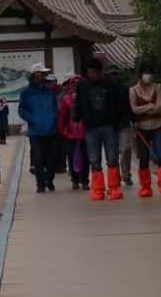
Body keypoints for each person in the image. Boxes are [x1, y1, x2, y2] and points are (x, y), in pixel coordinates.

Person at [72, 58, 136, 200]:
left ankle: (113, 188)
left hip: (109, 126)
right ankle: (98, 189)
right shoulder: (83, 84)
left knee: (112, 158)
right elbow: (78, 103)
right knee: (94, 160)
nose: (91, 75)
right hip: (91, 127)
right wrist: (76, 118)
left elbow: (122, 102)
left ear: (101, 71)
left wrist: (131, 117)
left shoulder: (112, 84)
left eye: (94, 72)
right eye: (89, 72)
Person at [129, 62, 161, 197]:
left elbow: (160, 106)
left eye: (150, 73)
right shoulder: (133, 90)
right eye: (145, 73)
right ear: (140, 74)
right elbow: (134, 109)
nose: (148, 76)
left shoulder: (157, 87)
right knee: (143, 159)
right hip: (142, 128)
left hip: (158, 125)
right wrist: (150, 107)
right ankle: (146, 187)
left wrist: (145, 109)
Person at [18, 63, 60, 193]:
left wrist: (53, 118)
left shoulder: (48, 90)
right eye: (42, 72)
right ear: (35, 73)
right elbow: (22, 110)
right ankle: (40, 183)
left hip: (51, 130)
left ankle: (50, 179)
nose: (44, 74)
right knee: (38, 157)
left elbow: (54, 107)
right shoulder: (26, 92)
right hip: (35, 131)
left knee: (54, 156)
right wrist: (33, 119)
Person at [106, 62, 134, 186]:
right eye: (111, 74)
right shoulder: (103, 89)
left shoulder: (124, 88)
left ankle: (126, 175)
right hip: (109, 124)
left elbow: (129, 105)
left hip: (124, 123)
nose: (113, 76)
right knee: (112, 152)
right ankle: (115, 176)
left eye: (115, 74)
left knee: (126, 147)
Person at [58, 75, 88, 189]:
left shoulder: (86, 97)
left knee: (85, 157)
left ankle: (84, 180)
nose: (76, 85)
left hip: (85, 131)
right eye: (74, 83)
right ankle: (75, 179)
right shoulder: (66, 99)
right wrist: (62, 132)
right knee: (71, 155)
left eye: (78, 82)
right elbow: (62, 117)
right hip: (71, 132)